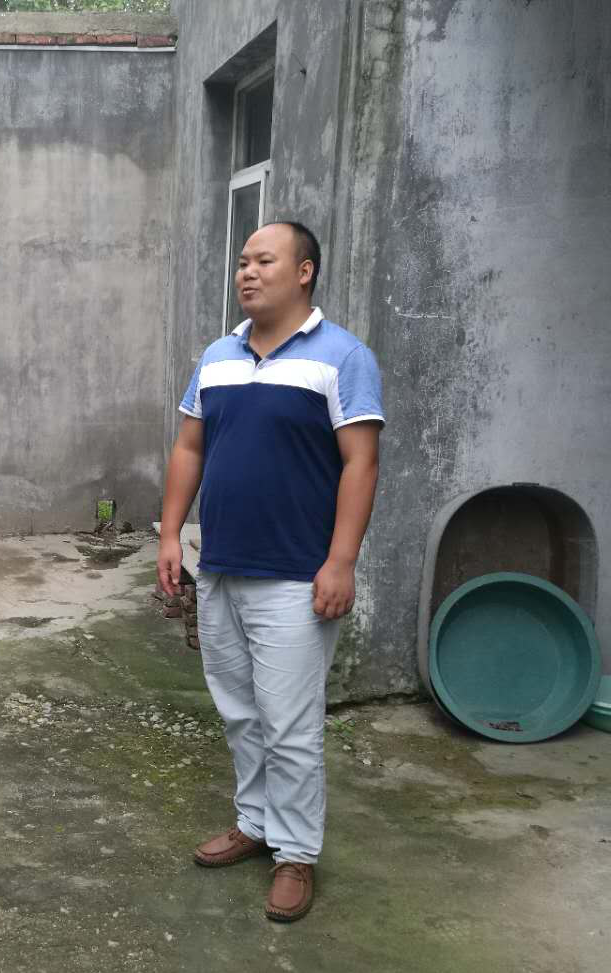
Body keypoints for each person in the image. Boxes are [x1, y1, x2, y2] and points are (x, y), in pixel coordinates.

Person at [157, 222, 383, 922]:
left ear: (304, 271)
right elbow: (190, 448)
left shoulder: (342, 357)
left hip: (296, 575)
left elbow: (361, 462)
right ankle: (255, 824)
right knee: (239, 712)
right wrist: (170, 534)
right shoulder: (218, 356)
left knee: (289, 724)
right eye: (242, 261)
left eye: (264, 260)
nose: (247, 272)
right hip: (221, 566)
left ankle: (295, 854)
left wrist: (341, 561)